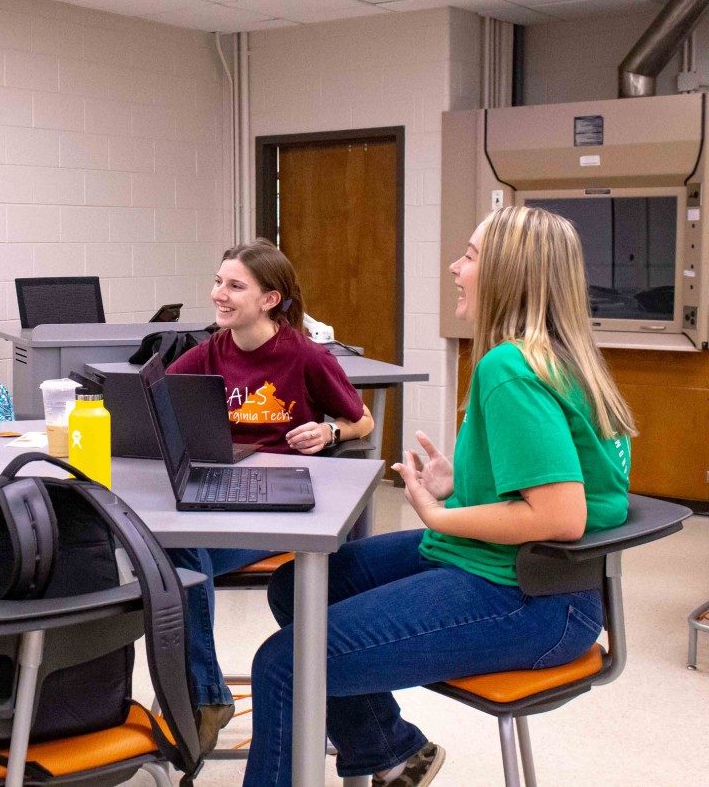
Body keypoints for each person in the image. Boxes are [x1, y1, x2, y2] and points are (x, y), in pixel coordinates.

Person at [247, 205, 636, 786]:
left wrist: (437, 515)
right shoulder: (560, 355)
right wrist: (466, 488)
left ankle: (385, 750)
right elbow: (573, 482)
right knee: (298, 585)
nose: (456, 267)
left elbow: (560, 514)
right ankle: (390, 751)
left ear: (510, 274)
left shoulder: (509, 367)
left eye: (471, 256)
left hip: (533, 598)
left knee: (284, 665)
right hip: (547, 584)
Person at [164, 239, 373, 752]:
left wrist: (330, 434)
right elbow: (160, 399)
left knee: (181, 556)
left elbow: (361, 419)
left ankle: (200, 697)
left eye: (235, 286)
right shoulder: (211, 350)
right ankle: (205, 694)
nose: (220, 294)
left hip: (277, 507)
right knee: (169, 550)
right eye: (218, 282)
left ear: (270, 300)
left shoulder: (303, 354)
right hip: (222, 497)